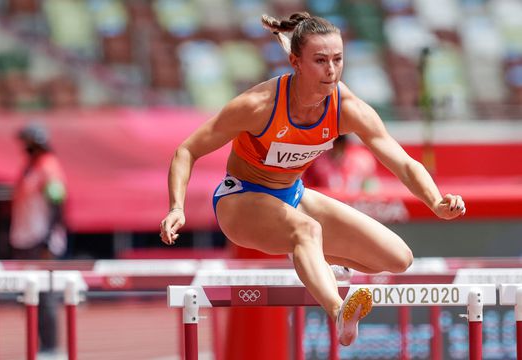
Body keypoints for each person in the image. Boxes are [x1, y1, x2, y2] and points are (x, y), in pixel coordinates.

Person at [160, 12, 466, 346]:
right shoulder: (258, 105)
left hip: (292, 195)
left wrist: (435, 200)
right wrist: (177, 206)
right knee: (307, 229)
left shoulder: (345, 106)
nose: (331, 70)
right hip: (240, 199)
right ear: (296, 62)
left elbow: (403, 163)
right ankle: (338, 310)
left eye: (337, 59)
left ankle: (313, 259)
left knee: (397, 258)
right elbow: (186, 151)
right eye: (320, 61)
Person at [10, 122, 67, 354]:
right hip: (24, 239)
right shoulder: (29, 167)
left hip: (41, 239)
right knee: (28, 296)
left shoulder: (48, 166)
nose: (23, 147)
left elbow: (57, 201)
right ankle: (36, 346)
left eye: (27, 143)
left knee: (45, 297)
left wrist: (47, 238)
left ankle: (51, 349)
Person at [302, 134, 380, 194]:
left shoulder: (362, 158)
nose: (337, 146)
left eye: (341, 142)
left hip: (353, 205)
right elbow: (308, 187)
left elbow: (370, 187)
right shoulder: (317, 160)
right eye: (335, 142)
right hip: (326, 203)